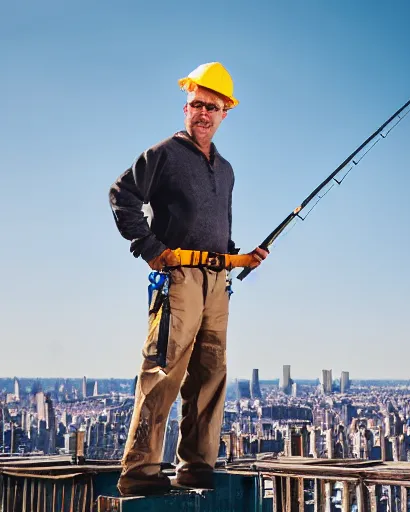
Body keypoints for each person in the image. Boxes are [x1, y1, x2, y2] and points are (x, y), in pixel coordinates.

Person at [109, 62, 268, 496]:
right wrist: (151, 248)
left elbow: (221, 230)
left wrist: (242, 259)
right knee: (164, 371)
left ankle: (196, 468)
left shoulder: (227, 169)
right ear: (186, 107)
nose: (203, 113)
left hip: (218, 280)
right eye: (197, 104)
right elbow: (122, 196)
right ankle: (140, 473)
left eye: (212, 107)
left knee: (210, 373)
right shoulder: (164, 154)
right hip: (178, 277)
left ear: (225, 113)